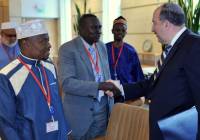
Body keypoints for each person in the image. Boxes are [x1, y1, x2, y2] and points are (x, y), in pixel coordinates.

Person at [110, 3, 200, 140]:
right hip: (161, 130)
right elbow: (152, 83)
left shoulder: (194, 45)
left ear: (166, 24)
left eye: (154, 22)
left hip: (178, 133)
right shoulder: (170, 48)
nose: (152, 28)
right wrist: (120, 89)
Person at [0, 20, 71, 140]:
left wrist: (67, 132)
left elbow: (57, 103)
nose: (49, 45)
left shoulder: (50, 66)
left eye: (48, 40)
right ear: (25, 43)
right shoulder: (7, 76)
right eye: (43, 41)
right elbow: (6, 124)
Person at [58, 14, 121, 140]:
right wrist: (99, 86)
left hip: (103, 110)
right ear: (80, 29)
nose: (99, 31)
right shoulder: (67, 49)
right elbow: (67, 83)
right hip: (79, 113)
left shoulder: (102, 46)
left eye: (99, 27)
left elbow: (105, 75)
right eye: (93, 28)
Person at [106, 16, 144, 102]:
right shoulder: (104, 48)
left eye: (123, 30)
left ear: (126, 32)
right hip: (108, 92)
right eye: (117, 30)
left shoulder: (131, 51)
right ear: (112, 31)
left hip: (126, 93)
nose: (120, 32)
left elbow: (138, 74)